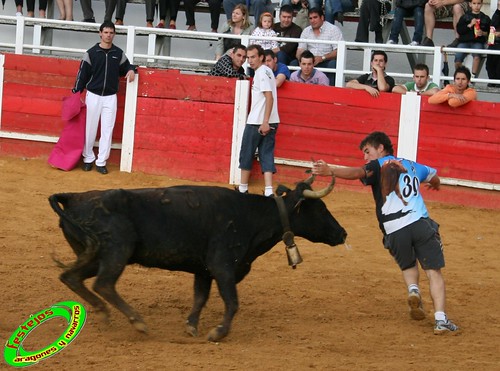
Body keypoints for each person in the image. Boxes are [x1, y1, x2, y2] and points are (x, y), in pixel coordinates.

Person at [312, 131, 459, 335]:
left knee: (408, 265)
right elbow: (434, 177)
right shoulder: (411, 165)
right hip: (419, 223)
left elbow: (357, 173)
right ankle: (441, 320)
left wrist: (330, 171)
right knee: (433, 272)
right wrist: (435, 185)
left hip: (393, 229)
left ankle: (413, 290)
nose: (365, 157)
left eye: (367, 151)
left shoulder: (378, 165)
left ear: (381, 148)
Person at [72, 21, 137, 175]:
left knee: (107, 130)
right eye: (106, 32)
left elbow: (127, 66)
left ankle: (101, 161)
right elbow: (82, 74)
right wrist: (76, 91)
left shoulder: (118, 53)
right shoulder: (91, 53)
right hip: (93, 95)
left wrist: (132, 69)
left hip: (110, 97)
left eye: (111, 32)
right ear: (100, 33)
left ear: (114, 34)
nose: (108, 35)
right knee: (90, 129)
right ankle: (88, 158)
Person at [237, 44, 280, 197]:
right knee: (266, 153)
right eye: (248, 58)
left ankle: (242, 189)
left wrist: (265, 121)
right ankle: (268, 190)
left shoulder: (261, 72)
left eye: (253, 57)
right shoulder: (268, 71)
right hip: (271, 120)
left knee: (247, 152)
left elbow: (269, 97)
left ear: (261, 57)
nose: (250, 61)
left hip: (258, 120)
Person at [294, 7, 344, 86]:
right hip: (309, 61)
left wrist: (322, 58)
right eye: (310, 18)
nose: (312, 21)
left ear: (322, 17)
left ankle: (331, 92)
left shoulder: (333, 29)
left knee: (333, 64)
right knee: (294, 63)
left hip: (326, 61)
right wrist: (304, 59)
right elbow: (300, 50)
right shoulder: (306, 31)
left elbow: (339, 51)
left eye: (315, 17)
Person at [454, 0, 491, 80]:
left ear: (481, 4)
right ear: (470, 4)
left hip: (478, 42)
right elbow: (459, 30)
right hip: (464, 42)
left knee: (477, 57)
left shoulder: (485, 18)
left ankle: (472, 77)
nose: (476, 6)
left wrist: (483, 33)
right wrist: (470, 25)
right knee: (457, 59)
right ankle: (461, 75)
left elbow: (490, 32)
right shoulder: (464, 17)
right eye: (474, 3)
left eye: (478, 3)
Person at [486, 0, 500, 87]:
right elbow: (493, 25)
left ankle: (498, 80)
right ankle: (492, 80)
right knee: (489, 62)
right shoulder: (497, 13)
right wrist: (498, 11)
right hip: (494, 42)